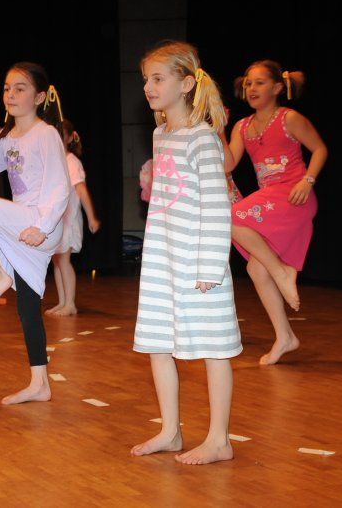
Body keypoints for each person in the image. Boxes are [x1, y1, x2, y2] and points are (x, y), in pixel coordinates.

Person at [129, 41, 241, 465]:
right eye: (147, 79)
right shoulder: (161, 135)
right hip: (163, 259)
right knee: (158, 344)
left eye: (158, 78)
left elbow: (216, 205)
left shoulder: (203, 139)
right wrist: (156, 256)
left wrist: (209, 267)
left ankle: (219, 439)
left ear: (187, 84)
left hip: (199, 262)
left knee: (214, 347)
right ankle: (170, 431)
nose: (149, 87)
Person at [0, 62, 69, 405]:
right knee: (28, 305)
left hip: (39, 222)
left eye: (20, 88)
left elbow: (60, 187)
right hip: (22, 225)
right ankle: (40, 383)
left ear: (39, 97)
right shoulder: (4, 136)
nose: (11, 94)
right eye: (7, 88)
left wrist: (42, 227)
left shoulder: (46, 134)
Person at [227, 60, 327, 365]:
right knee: (256, 270)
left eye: (259, 82)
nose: (251, 88)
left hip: (293, 196)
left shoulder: (289, 118)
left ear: (278, 87)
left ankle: (282, 271)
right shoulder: (242, 127)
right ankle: (285, 337)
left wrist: (308, 180)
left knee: (230, 217)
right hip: (270, 200)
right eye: (248, 83)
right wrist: (218, 129)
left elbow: (320, 149)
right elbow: (228, 164)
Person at [46, 119, 100, 317]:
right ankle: (62, 302)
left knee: (64, 260)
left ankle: (70, 303)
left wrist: (92, 217)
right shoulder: (53, 162)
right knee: (57, 261)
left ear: (69, 138)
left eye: (60, 136)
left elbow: (81, 190)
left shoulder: (71, 162)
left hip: (68, 220)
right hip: (55, 220)